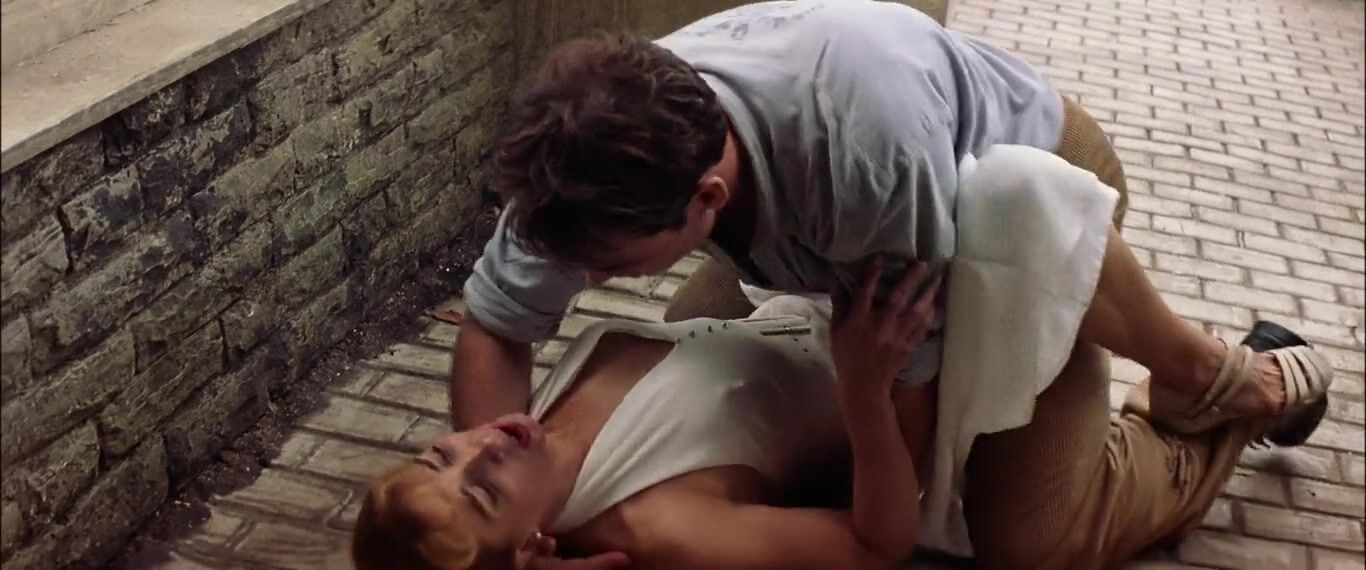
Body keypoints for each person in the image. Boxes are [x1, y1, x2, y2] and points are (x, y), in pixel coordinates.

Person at [446, 0, 1336, 565]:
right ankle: (1186, 367)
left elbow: (903, 458)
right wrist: (513, 535)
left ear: (705, 200)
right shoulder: (587, 149)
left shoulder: (864, 162)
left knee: (1024, 536)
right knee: (706, 345)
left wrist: (858, 433)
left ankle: (1213, 389)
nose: (589, 277)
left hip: (1021, 201)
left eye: (608, 262)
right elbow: (495, 324)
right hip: (829, 244)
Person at [354, 268, 944, 569]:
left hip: (782, 308)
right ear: (526, 549)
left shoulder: (523, 439)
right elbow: (875, 549)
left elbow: (494, 318)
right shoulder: (658, 525)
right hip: (898, 369)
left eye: (440, 454)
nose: (483, 446)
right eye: (485, 494)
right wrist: (869, 390)